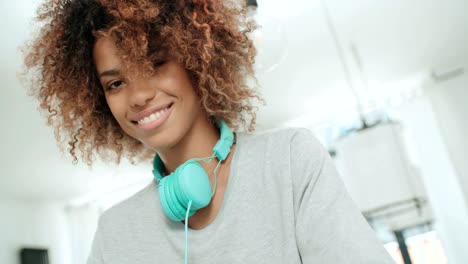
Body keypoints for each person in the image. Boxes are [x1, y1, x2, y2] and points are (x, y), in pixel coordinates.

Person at [22, 0, 394, 263]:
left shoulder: (289, 160)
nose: (138, 95)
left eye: (155, 63)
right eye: (116, 83)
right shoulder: (114, 232)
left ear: (197, 58)